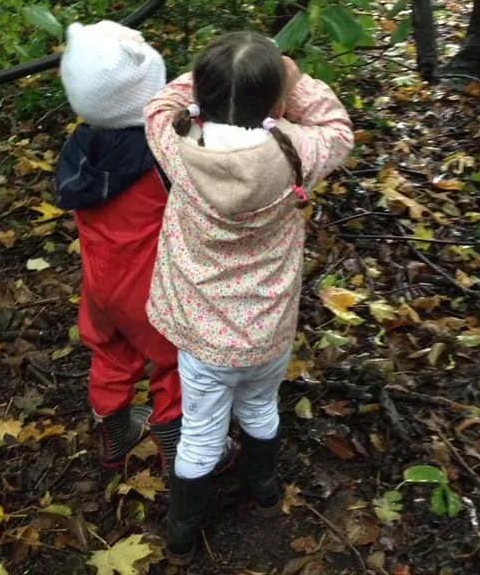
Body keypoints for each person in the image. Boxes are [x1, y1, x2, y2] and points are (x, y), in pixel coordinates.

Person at [144, 31, 354, 564]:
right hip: (267, 331)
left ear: (202, 94)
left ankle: (182, 535)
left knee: (199, 432)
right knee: (261, 406)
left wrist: (207, 80)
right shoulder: (296, 148)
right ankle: (263, 492)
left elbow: (158, 104)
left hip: (203, 337)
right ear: (277, 101)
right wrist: (295, 80)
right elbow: (338, 127)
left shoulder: (178, 140)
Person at [56, 20, 182, 472]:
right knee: (175, 363)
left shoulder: (78, 152)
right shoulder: (162, 155)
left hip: (100, 286)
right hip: (152, 290)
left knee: (111, 353)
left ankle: (116, 433)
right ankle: (180, 451)